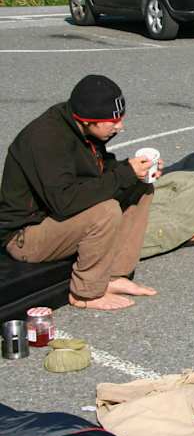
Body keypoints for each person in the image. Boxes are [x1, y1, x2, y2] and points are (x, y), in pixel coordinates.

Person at [0, 75, 161, 311]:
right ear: (86, 120)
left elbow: (100, 170)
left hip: (56, 221)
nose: (120, 126)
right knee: (105, 211)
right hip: (26, 236)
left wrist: (134, 169)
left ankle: (114, 276)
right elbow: (64, 201)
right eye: (113, 121)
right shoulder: (46, 139)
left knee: (141, 186)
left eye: (120, 118)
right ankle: (86, 293)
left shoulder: (81, 127)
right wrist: (124, 174)